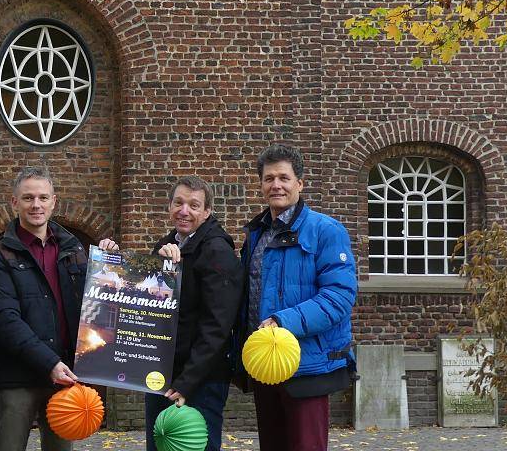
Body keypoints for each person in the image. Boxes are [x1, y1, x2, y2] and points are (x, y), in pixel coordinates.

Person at [0, 166, 118, 451]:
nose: (36, 205)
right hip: (19, 376)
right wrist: (49, 363)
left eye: (43, 197)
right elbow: (5, 320)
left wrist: (109, 266)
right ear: (14, 202)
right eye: (28, 198)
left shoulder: (75, 250)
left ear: (54, 201)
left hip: (65, 374)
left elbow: (95, 308)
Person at [237, 144, 357, 451]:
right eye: (268, 178)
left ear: (299, 184)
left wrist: (282, 320)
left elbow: (339, 297)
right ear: (261, 185)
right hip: (266, 363)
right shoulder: (256, 234)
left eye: (284, 178)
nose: (276, 185)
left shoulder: (326, 231)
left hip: (307, 365)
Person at [148, 176, 245, 451]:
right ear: (169, 207)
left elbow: (218, 326)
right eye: (178, 203)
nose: (184, 211)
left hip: (199, 380)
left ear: (207, 212)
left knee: (196, 446)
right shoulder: (167, 247)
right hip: (162, 374)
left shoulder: (217, 251)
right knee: (160, 444)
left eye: (193, 205)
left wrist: (187, 382)